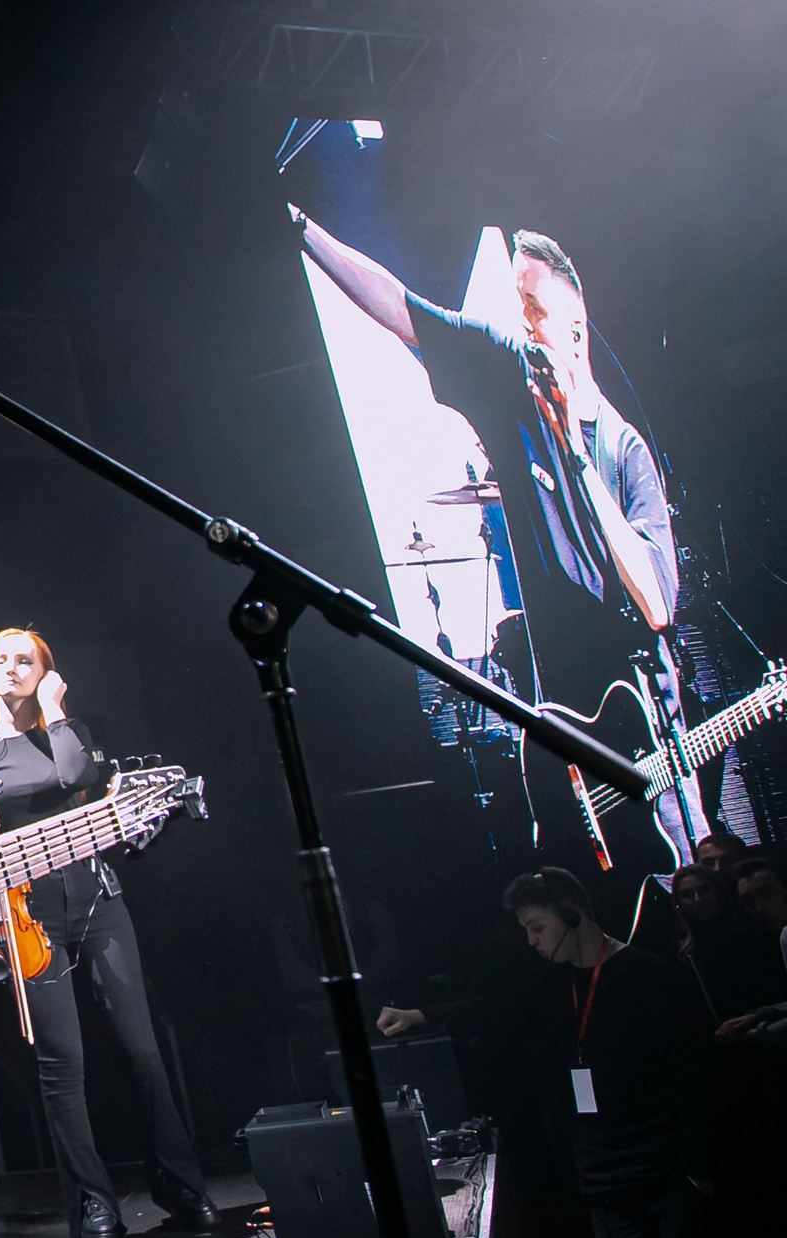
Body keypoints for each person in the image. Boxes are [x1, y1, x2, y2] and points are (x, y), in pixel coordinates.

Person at [297, 212, 701, 866]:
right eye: (519, 306)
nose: (525, 324)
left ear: (575, 323)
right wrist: (302, 230)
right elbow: (405, 309)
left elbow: (655, 606)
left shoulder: (625, 453)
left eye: (534, 307)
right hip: (569, 740)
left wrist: (572, 452)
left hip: (648, 739)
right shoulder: (513, 387)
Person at [380, 868, 730, 1238]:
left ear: (572, 914)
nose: (532, 941)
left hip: (666, 1167)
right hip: (605, 1171)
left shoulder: (647, 975)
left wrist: (698, 1166)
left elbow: (692, 1078)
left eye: (538, 927)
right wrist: (422, 1015)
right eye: (525, 930)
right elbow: (497, 1006)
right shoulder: (555, 983)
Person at [0, 629, 212, 1238]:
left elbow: (76, 776)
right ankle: (94, 1204)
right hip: (28, 914)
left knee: (142, 1051)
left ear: (46, 672)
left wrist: (57, 710)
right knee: (62, 1062)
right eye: (1, 659)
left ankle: (181, 1186)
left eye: (26, 660)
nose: (11, 668)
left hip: (97, 898)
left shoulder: (71, 731)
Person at [673, 861, 787, 1021]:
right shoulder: (681, 953)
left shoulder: (757, 931)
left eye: (705, 890)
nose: (697, 899)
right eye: (686, 894)